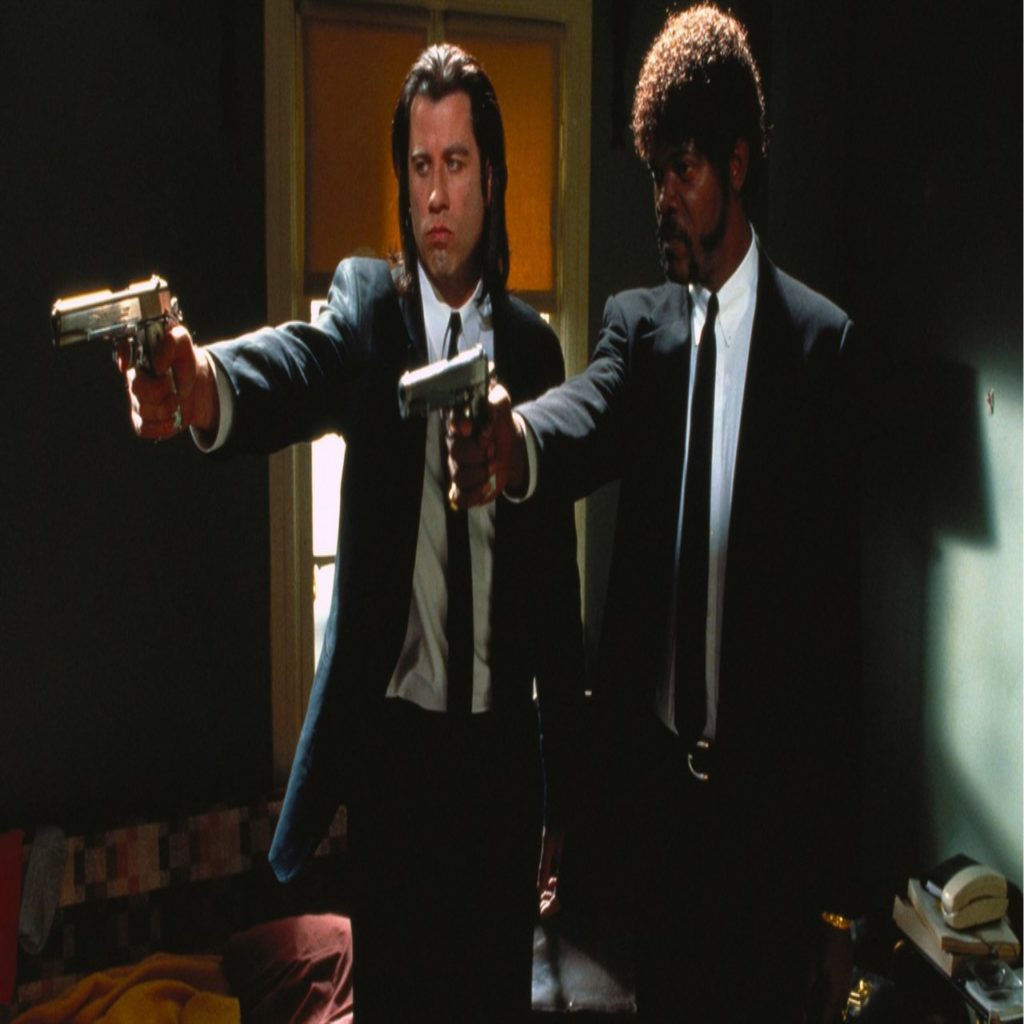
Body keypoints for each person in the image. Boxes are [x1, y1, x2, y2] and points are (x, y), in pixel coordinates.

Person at [123, 43, 584, 1023]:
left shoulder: (536, 351)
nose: (435, 195)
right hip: (398, 762)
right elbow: (298, 365)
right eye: (419, 167)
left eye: (455, 163)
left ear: (492, 178)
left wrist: (563, 793)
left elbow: (555, 592)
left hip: (501, 761)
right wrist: (198, 383)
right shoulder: (369, 312)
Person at [449, 6, 864, 1022]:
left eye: (682, 172)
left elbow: (833, 643)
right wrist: (513, 437)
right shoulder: (640, 329)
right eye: (654, 175)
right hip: (659, 819)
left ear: (737, 164)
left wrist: (836, 901)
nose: (662, 201)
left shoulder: (820, 350)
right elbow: (584, 413)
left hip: (768, 829)